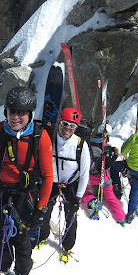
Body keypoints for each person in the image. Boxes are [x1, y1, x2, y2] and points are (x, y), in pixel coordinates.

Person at [0, 87, 54, 275]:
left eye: (21, 112)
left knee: (21, 235)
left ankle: (22, 271)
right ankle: (3, 266)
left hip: (25, 193)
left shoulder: (40, 137)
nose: (16, 117)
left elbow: (47, 175)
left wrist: (41, 208)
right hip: (0, 190)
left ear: (30, 114)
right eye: (12, 111)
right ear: (6, 112)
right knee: (0, 232)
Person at [36, 107, 90, 263]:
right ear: (59, 122)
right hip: (50, 182)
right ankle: (42, 236)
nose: (67, 128)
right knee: (44, 211)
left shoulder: (81, 145)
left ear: (76, 128)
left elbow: (85, 172)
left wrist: (79, 196)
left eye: (72, 126)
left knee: (70, 217)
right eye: (65, 123)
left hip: (71, 184)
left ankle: (67, 247)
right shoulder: (49, 139)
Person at [82, 124, 126, 225]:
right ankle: (120, 218)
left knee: (82, 191)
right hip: (103, 177)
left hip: (90, 177)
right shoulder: (106, 147)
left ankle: (91, 200)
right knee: (111, 197)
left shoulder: (89, 144)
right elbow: (106, 165)